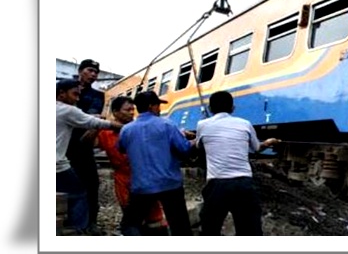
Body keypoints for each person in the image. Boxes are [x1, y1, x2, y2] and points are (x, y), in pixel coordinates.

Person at [195, 90, 280, 236]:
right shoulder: (245, 124)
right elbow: (257, 148)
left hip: (217, 185)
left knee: (210, 229)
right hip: (243, 184)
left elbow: (199, 146)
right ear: (232, 108)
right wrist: (268, 142)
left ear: (210, 109)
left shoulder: (202, 125)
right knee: (250, 231)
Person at [118, 91, 194, 236]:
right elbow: (184, 150)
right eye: (158, 105)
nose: (159, 109)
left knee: (131, 224)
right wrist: (191, 142)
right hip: (170, 184)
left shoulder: (126, 130)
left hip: (141, 185)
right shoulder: (168, 125)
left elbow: (121, 148)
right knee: (180, 226)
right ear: (151, 106)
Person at [95, 96, 169, 235]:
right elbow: (86, 143)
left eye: (132, 109)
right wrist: (98, 123)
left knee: (155, 221)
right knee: (133, 220)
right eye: (127, 110)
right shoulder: (105, 133)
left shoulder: (138, 128)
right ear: (115, 112)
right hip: (124, 181)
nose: (131, 113)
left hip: (145, 179)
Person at [56, 79, 121, 234]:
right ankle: (78, 230)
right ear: (61, 94)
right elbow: (95, 123)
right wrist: (124, 126)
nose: (77, 99)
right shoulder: (67, 110)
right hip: (57, 164)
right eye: (74, 94)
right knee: (79, 193)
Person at [65, 59, 105, 234]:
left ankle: (90, 222)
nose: (94, 75)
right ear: (80, 71)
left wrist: (84, 120)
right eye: (90, 70)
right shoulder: (64, 88)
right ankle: (65, 219)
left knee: (91, 182)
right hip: (61, 144)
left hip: (83, 145)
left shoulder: (97, 95)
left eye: (96, 72)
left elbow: (92, 119)